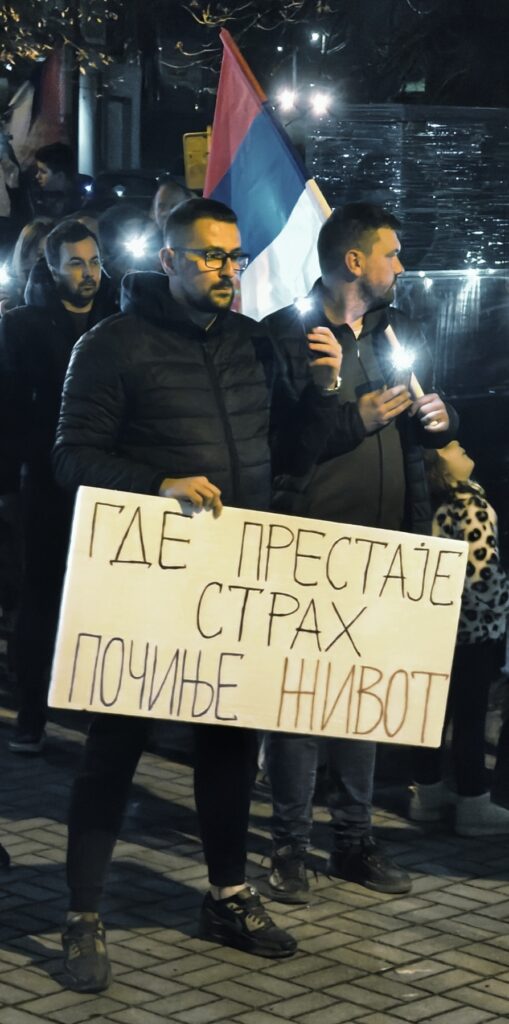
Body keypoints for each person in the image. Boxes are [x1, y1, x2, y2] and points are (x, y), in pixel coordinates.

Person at [51, 196, 343, 991]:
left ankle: (228, 895)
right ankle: (82, 913)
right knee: (114, 747)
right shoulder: (111, 345)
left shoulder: (252, 343)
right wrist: (159, 484)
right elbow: (71, 457)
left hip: (231, 581)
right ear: (169, 260)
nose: (227, 269)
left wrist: (321, 392)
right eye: (211, 255)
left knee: (229, 745)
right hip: (145, 581)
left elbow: (289, 456)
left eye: (234, 256)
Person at [263, 201, 459, 904]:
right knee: (297, 705)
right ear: (354, 262)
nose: (400, 266)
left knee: (361, 701)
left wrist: (441, 420)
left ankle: (352, 840)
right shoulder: (283, 336)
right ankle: (289, 847)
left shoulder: (395, 331)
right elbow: (277, 449)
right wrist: (356, 418)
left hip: (385, 547)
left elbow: (430, 419)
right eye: (391, 253)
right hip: (308, 549)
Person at [0, 220, 116, 753]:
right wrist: (16, 477)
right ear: (51, 267)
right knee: (42, 598)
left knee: (100, 601)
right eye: (76, 263)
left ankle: (97, 708)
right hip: (46, 485)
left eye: (94, 262)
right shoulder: (21, 327)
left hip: (105, 482)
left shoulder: (119, 320)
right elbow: (7, 408)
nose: (88, 273)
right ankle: (32, 713)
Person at [410, 440, 509, 834]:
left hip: (436, 627)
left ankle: (427, 794)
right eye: (451, 447)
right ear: (440, 464)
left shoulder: (427, 503)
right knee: (470, 717)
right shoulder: (470, 504)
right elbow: (483, 574)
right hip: (472, 629)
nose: (462, 447)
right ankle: (473, 802)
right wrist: (504, 603)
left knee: (432, 715)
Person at [31, 142, 82, 219]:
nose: (37, 176)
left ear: (60, 176)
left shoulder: (82, 205)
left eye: (43, 172)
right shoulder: (38, 197)